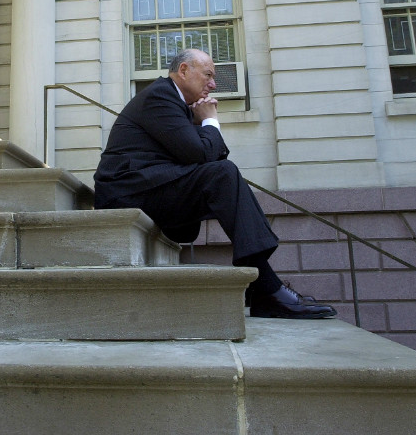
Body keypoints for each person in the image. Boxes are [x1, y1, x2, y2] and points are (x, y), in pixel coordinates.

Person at [94, 48, 336, 319]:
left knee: (222, 175)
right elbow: (200, 154)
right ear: (184, 70)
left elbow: (206, 155)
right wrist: (210, 120)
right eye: (208, 75)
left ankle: (264, 287)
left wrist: (203, 124)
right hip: (126, 192)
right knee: (223, 174)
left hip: (149, 187)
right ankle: (267, 289)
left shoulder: (180, 107)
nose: (213, 84)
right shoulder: (160, 95)